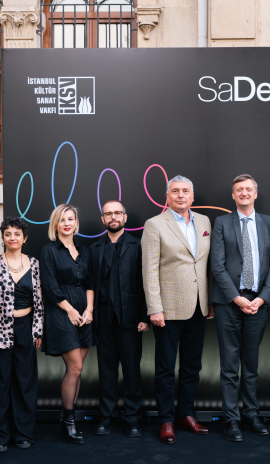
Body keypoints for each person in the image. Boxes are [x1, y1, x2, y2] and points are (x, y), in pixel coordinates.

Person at [142, 175, 214, 445]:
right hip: (167, 309)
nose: (181, 195)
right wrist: (154, 308)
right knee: (165, 368)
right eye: (175, 191)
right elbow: (149, 269)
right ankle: (166, 420)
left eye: (185, 191)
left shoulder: (204, 222)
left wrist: (210, 301)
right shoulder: (155, 224)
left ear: (192, 196)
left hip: (198, 307)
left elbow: (206, 264)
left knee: (192, 366)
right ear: (167, 196)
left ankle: (186, 414)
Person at [210, 174, 270, 442]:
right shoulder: (221, 222)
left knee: (251, 364)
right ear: (233, 195)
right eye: (239, 189)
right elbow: (217, 265)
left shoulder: (269, 223)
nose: (244, 193)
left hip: (258, 303)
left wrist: (262, 298)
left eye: (248, 189)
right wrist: (236, 298)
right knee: (229, 366)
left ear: (255, 194)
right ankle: (231, 419)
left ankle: (251, 414)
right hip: (229, 303)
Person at [0, 217, 43, 452]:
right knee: (0, 381)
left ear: (25, 238)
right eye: (8, 234)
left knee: (24, 381)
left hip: (26, 327)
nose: (12, 238)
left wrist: (37, 329)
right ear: (3, 238)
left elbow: (40, 300)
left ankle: (23, 433)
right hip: (0, 329)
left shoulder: (34, 264)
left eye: (17, 234)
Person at [90, 200, 150, 438]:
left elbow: (147, 282)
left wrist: (145, 315)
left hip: (131, 318)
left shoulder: (139, 245)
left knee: (132, 369)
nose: (113, 217)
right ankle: (106, 417)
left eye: (117, 213)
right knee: (106, 370)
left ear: (125, 217)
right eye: (108, 214)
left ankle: (133, 418)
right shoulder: (94, 249)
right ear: (103, 219)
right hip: (103, 318)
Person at [40, 204, 94, 445]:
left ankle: (67, 417)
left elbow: (91, 282)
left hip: (85, 313)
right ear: (55, 224)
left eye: (71, 219)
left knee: (78, 368)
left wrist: (89, 310)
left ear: (76, 223)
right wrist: (71, 310)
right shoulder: (49, 250)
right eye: (62, 220)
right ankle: (69, 422)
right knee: (75, 367)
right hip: (61, 311)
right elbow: (49, 285)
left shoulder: (84, 250)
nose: (67, 223)